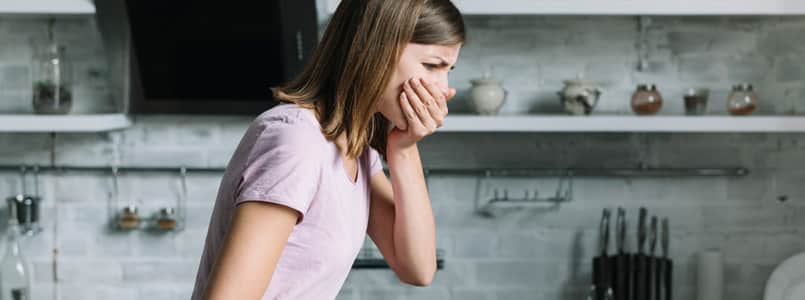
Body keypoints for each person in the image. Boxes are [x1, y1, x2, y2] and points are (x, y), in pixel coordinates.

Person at [191, 0, 465, 299]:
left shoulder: (355, 147)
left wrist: (404, 147)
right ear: (375, 50)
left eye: (448, 70)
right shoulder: (297, 141)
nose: (443, 89)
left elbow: (418, 268)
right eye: (431, 66)